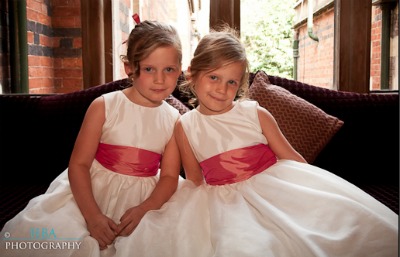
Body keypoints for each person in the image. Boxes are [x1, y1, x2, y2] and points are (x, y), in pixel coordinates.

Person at [117, 25, 398, 257]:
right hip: (223, 203)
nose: (221, 88)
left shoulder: (255, 112)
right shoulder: (184, 125)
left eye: (231, 82)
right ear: (192, 74)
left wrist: (313, 194)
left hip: (273, 189)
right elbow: (193, 179)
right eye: (213, 77)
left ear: (241, 84)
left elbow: (292, 159)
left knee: (328, 233)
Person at [0, 18, 183, 257]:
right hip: (91, 194)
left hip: (146, 199)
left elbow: (169, 176)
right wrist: (93, 216)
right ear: (129, 67)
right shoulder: (104, 106)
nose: (160, 79)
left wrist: (145, 209)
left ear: (179, 70)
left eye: (168, 69)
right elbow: (79, 164)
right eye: (149, 69)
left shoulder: (174, 119)